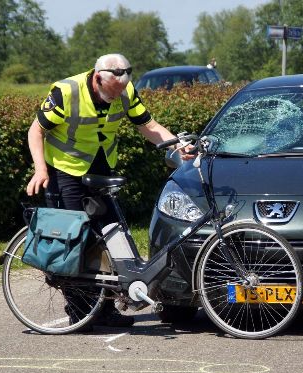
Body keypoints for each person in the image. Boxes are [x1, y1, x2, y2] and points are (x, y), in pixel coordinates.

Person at [26, 53, 193, 330]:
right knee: (76, 241)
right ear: (97, 78)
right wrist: (40, 170)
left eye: (119, 93)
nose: (115, 98)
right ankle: (81, 312)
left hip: (100, 166)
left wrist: (177, 146)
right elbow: (36, 131)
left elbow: (148, 126)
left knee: (109, 236)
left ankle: (104, 308)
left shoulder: (125, 90)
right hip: (65, 170)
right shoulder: (66, 91)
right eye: (110, 93)